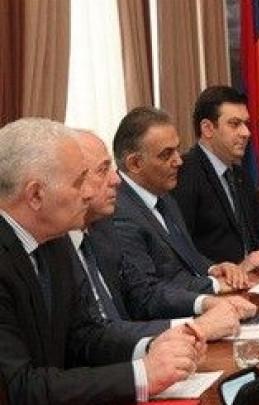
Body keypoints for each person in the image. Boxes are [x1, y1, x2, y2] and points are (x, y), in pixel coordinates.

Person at [0, 118, 205, 404]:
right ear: (35, 194)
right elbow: (19, 388)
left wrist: (152, 347)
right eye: (78, 182)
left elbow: (83, 336)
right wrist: (141, 376)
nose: (88, 192)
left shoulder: (53, 239)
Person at [71, 129, 256, 337]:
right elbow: (139, 301)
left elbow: (144, 289)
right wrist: (196, 326)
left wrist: (206, 296)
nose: (116, 179)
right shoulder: (115, 217)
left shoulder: (105, 225)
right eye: (103, 170)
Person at [112, 107, 250, 309]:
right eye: (166, 155)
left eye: (177, 150)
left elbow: (185, 255)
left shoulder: (164, 195)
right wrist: (211, 287)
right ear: (134, 164)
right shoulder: (119, 212)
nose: (179, 161)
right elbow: (146, 293)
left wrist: (214, 269)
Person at [172, 86, 259, 271]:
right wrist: (238, 269)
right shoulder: (185, 174)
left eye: (245, 124)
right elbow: (180, 252)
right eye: (235, 124)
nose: (246, 132)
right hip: (218, 285)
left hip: (256, 279)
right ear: (208, 128)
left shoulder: (239, 174)